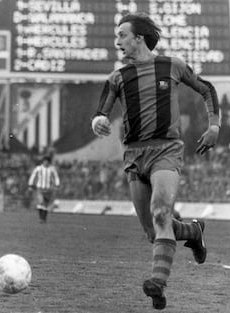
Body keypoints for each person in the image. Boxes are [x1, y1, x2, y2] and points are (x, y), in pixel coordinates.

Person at [91, 12, 220, 310]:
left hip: (166, 150)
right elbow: (101, 112)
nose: (117, 41)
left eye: (122, 34)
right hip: (134, 155)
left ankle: (157, 284)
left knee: (161, 213)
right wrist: (97, 121)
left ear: (139, 37)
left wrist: (213, 126)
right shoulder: (117, 78)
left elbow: (206, 89)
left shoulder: (171, 65)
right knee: (153, 231)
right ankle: (194, 232)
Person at [28, 156, 60, 223]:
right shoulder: (38, 168)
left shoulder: (52, 169)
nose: (46, 162)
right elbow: (33, 176)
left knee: (45, 205)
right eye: (45, 161)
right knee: (41, 202)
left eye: (47, 161)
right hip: (40, 188)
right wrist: (30, 185)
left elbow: (56, 177)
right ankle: (41, 218)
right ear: (43, 161)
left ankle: (43, 219)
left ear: (49, 162)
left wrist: (57, 185)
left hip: (48, 189)